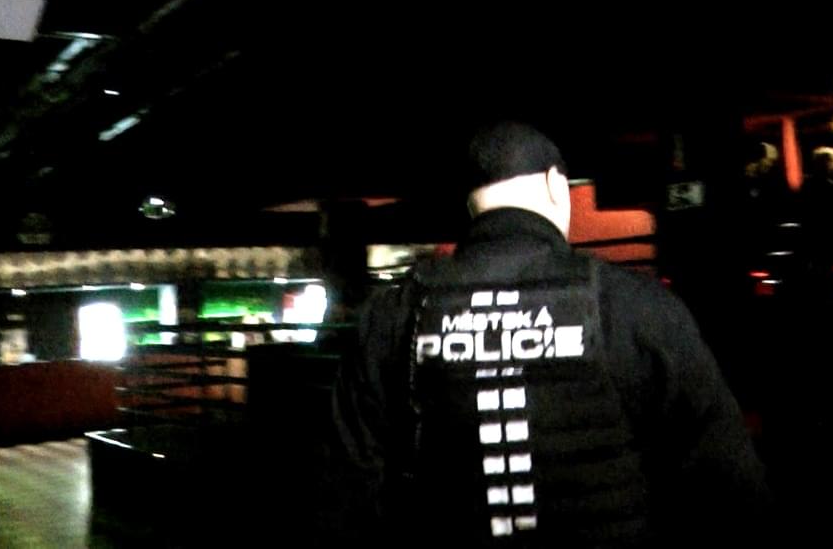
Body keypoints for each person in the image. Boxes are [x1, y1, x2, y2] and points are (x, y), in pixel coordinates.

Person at [323, 122, 769, 547]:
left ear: (470, 202)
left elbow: (347, 492)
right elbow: (728, 484)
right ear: (557, 184)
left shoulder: (393, 314)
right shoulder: (634, 304)